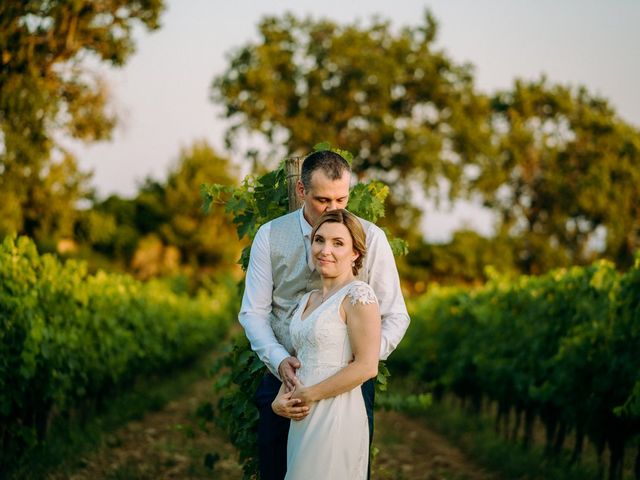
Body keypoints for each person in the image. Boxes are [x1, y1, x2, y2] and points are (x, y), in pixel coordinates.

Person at [239, 150, 409, 480]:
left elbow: (396, 315)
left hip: (348, 388)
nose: (333, 209)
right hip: (282, 383)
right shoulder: (270, 235)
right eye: (322, 200)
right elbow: (254, 312)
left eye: (341, 199)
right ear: (301, 191)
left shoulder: (370, 238)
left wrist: (358, 361)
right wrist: (279, 361)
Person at [272, 209, 380, 479]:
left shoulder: (359, 295)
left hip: (336, 414)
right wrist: (278, 401)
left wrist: (310, 394)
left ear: (355, 253)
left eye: (338, 243)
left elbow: (367, 366)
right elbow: (299, 358)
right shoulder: (307, 299)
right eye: (319, 240)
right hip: (303, 417)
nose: (324, 249)